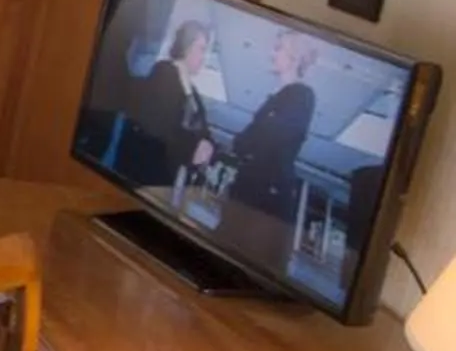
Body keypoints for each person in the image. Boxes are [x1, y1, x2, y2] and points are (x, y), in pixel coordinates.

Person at [226, 30, 320, 276]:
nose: (272, 53)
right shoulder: (279, 97)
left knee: (253, 262)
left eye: (278, 48)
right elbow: (250, 139)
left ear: (295, 57)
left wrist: (246, 142)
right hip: (253, 190)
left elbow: (265, 137)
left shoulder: (301, 96)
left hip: (267, 197)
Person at [115, 20, 214, 192]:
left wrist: (208, 144)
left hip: (164, 174)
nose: (204, 56)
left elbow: (202, 128)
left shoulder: (193, 92)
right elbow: (159, 127)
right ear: (186, 46)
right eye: (201, 48)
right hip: (143, 171)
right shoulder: (165, 72)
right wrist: (191, 149)